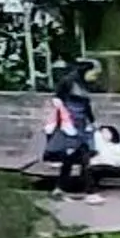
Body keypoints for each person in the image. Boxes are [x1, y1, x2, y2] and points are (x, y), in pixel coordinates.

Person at [44, 60, 98, 195]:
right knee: (75, 156)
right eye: (94, 74)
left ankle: (63, 188)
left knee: (78, 157)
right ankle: (87, 190)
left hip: (81, 125)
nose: (95, 77)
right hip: (69, 125)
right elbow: (58, 102)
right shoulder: (68, 82)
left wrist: (92, 121)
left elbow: (87, 106)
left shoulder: (83, 85)